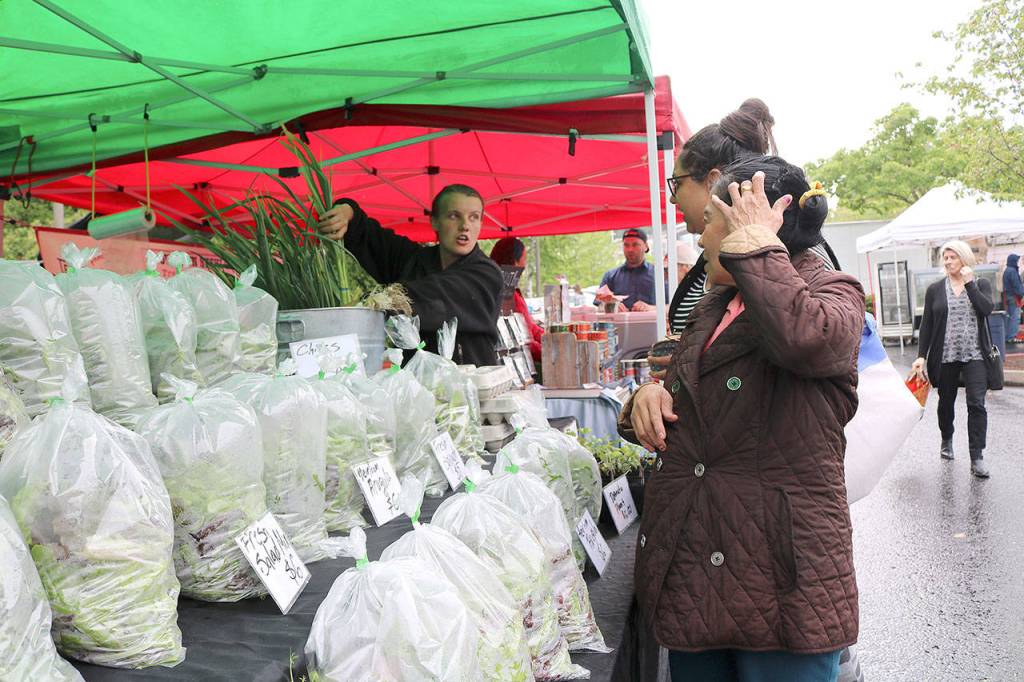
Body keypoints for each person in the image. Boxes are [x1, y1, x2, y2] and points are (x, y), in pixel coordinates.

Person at [619, 157, 864, 682]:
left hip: (779, 581)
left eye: (711, 219)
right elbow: (694, 403)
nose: (699, 234)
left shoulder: (835, 292)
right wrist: (645, 398)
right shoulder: (714, 306)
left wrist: (757, 247)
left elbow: (804, 339)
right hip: (697, 571)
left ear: (744, 225)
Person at [316, 184, 503, 366]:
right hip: (416, 388)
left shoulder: (486, 274)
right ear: (435, 221)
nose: (465, 226)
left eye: (474, 217)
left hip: (471, 385)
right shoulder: (413, 260)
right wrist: (348, 213)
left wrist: (373, 301)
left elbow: (433, 294)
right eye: (454, 216)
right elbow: (373, 238)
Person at [912, 241, 995, 478]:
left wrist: (969, 284)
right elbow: (926, 325)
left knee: (976, 404)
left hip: (975, 355)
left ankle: (977, 456)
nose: (947, 262)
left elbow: (987, 309)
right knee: (945, 403)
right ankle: (946, 438)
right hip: (945, 356)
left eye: (952, 257)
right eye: (945, 258)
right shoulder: (935, 290)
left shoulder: (980, 284)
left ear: (964, 259)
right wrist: (921, 356)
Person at [488, 237, 543, 361]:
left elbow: (531, 328)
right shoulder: (505, 292)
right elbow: (524, 339)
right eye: (525, 259)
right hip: (517, 364)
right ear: (515, 261)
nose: (525, 264)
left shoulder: (502, 287)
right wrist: (550, 353)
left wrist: (551, 338)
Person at [595, 228, 656, 312]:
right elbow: (598, 306)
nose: (630, 249)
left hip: (652, 324)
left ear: (646, 246)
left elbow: (671, 305)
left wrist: (650, 308)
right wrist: (612, 306)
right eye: (626, 245)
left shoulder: (659, 275)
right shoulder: (610, 276)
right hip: (619, 325)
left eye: (635, 245)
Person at [1002, 253, 1024, 343]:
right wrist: (1022, 294)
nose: (1018, 262)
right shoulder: (1012, 271)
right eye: (1017, 260)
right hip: (1013, 297)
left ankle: (1008, 336)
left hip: (1008, 297)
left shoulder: (1007, 270)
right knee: (1015, 317)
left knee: (1010, 317)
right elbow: (1017, 286)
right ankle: (1011, 337)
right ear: (1013, 261)